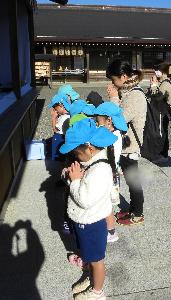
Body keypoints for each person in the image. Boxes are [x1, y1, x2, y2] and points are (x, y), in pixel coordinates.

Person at [59, 118, 117, 300]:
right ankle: (91, 278)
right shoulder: (91, 162)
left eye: (77, 153)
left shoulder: (100, 171)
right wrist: (71, 176)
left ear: (90, 149)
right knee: (89, 256)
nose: (76, 157)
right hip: (84, 221)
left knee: (97, 260)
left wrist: (75, 180)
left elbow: (85, 199)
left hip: (91, 223)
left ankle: (97, 291)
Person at [106, 59, 146, 226]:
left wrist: (114, 98)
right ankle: (132, 209)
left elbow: (120, 119)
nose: (113, 83)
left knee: (133, 181)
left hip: (131, 146)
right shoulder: (128, 91)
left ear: (123, 76)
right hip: (126, 144)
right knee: (130, 180)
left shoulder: (135, 94)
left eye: (114, 79)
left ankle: (137, 214)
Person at [95, 102, 128, 242]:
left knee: (105, 206)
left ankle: (110, 231)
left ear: (109, 120)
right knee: (104, 204)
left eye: (98, 121)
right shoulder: (116, 133)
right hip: (110, 174)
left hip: (107, 175)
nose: (97, 124)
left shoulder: (112, 137)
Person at [149, 61, 171, 163]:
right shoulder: (162, 82)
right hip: (159, 111)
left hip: (162, 112)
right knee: (160, 131)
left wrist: (154, 85)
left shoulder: (165, 84)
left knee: (161, 133)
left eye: (157, 70)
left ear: (163, 71)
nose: (156, 72)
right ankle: (160, 154)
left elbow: (158, 97)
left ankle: (162, 155)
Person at [48, 93, 71, 160]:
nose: (55, 110)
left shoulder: (63, 118)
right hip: (67, 143)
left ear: (61, 105)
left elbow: (56, 131)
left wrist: (53, 118)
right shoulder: (70, 114)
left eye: (55, 108)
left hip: (61, 144)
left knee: (61, 162)